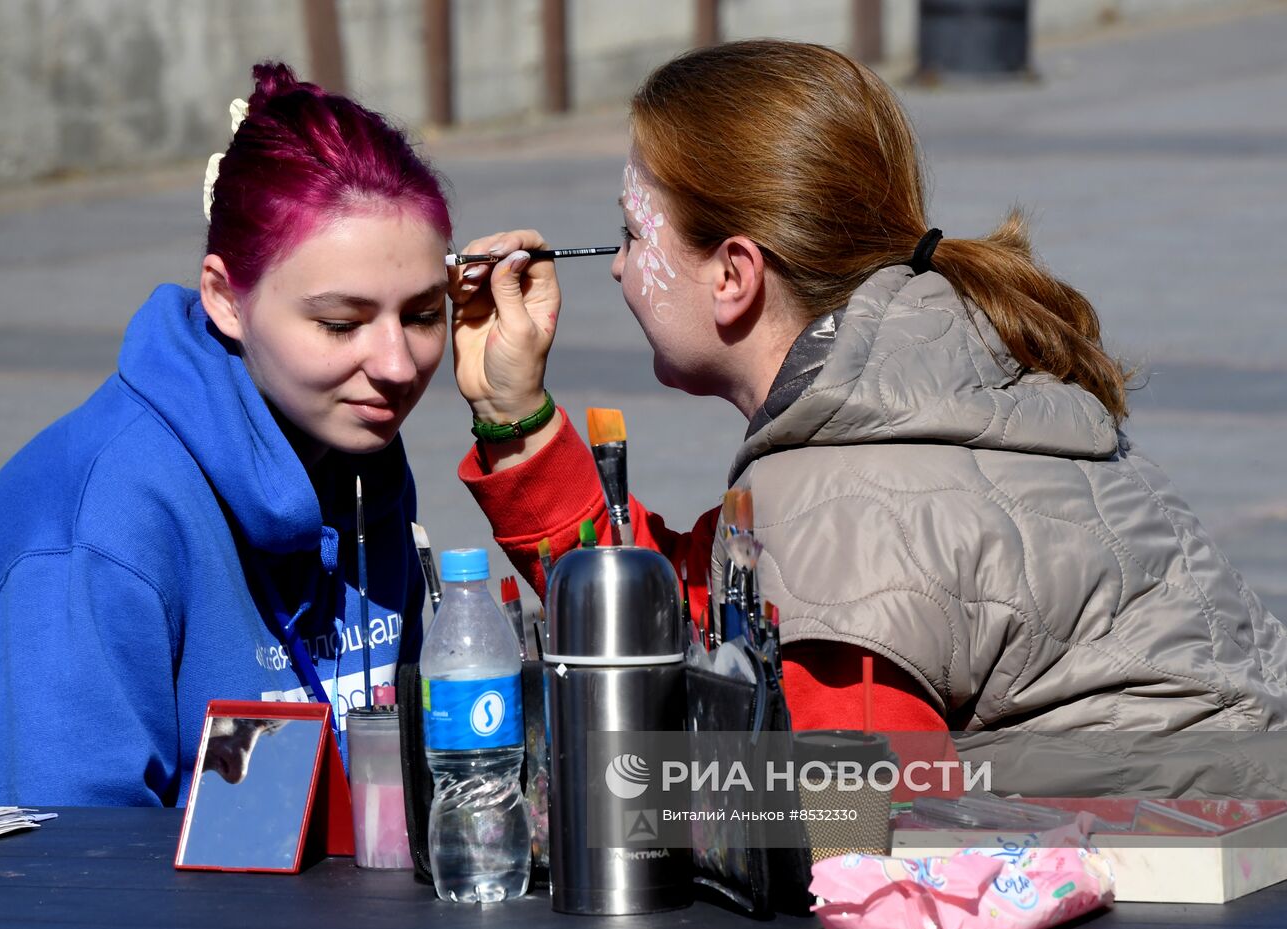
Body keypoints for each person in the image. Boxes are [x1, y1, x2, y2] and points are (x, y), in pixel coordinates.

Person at [449, 41, 1287, 794]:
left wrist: (622, 805)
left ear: (734, 274)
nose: (620, 269)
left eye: (631, 234)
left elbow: (864, 831)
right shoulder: (937, 373)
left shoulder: (844, 505)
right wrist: (513, 415)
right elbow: (696, 606)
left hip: (1180, 869)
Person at [0, 63, 452, 807]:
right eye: (340, 323)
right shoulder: (93, 533)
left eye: (422, 315)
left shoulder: (356, 449)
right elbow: (59, 891)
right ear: (226, 298)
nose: (395, 364)